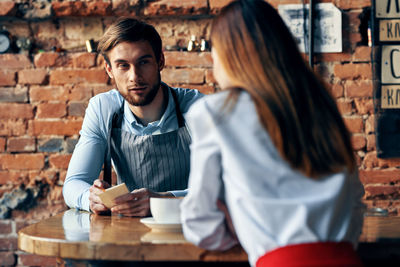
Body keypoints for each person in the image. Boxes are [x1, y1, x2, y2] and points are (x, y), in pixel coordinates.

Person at [180, 1, 365, 266]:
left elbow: (200, 223)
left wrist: (241, 235)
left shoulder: (215, 111)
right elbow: (355, 201)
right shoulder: (321, 102)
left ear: (228, 56)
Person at [63, 18, 202, 217]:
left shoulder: (196, 108)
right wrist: (90, 198)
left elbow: (225, 186)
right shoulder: (103, 108)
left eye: (143, 62)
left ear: (160, 62)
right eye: (123, 66)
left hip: (190, 227)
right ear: (109, 70)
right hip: (127, 233)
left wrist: (164, 201)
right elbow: (73, 184)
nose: (134, 76)